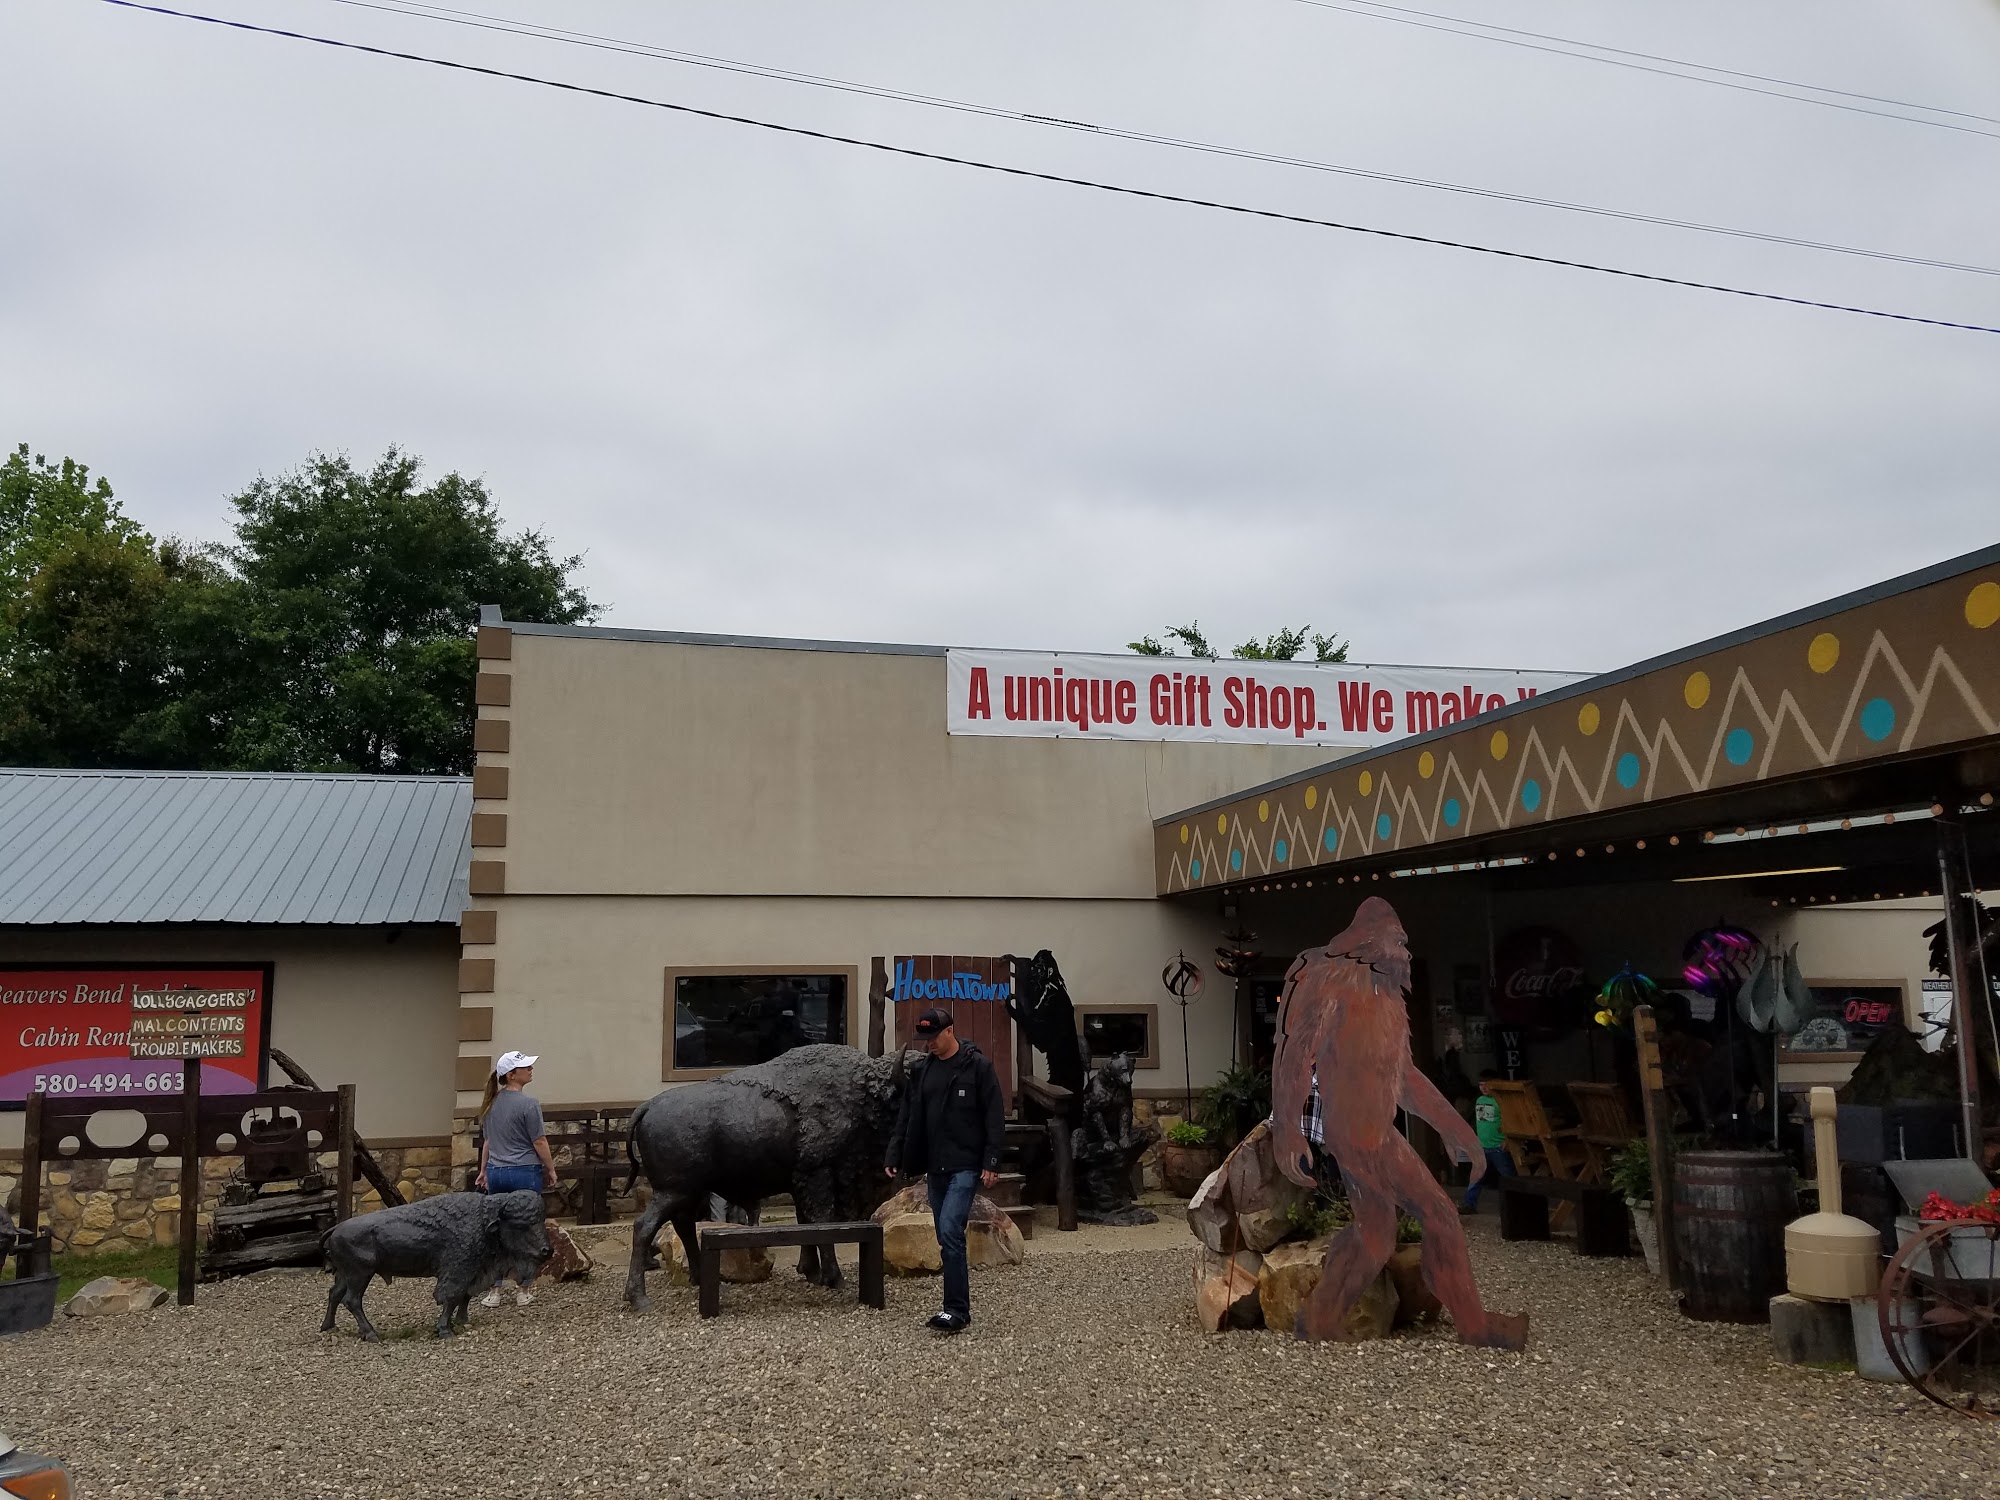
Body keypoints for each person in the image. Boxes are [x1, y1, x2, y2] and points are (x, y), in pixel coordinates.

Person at [883, 1007, 1005, 1334]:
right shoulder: (922, 1071)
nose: (929, 1043)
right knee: (945, 1235)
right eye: (925, 1038)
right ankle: (956, 1307)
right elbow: (907, 1116)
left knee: (950, 1229)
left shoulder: (978, 1067)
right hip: (934, 1166)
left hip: (966, 1165)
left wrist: (991, 1161)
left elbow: (994, 1115)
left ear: (950, 1031)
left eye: (934, 1037)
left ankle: (956, 1310)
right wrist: (896, 1153)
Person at [476, 1049, 557, 1306]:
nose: (531, 1070)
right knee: (526, 1231)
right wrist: (551, 1169)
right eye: (526, 1067)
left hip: (497, 1172)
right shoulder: (529, 1104)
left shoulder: (490, 1105)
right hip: (524, 1172)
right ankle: (523, 1289)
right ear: (512, 1075)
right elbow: (539, 1141)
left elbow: (488, 1142)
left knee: (498, 1230)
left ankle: (494, 1290)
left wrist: (483, 1171)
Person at [1459, 1069, 1513, 1213]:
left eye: (1487, 1084)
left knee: (1509, 1178)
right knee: (1476, 1177)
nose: (1483, 1087)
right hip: (1481, 1146)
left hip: (1498, 1146)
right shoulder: (1479, 1100)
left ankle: (1516, 1205)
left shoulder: (1501, 1101)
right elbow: (1476, 1122)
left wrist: (1508, 1139)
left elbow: (1510, 1121)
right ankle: (1469, 1204)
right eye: (1481, 1084)